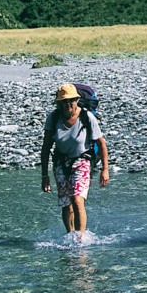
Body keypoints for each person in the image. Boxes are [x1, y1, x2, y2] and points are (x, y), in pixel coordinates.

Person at [41, 83, 109, 234]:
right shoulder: (53, 118)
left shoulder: (87, 117)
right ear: (58, 103)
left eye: (71, 100)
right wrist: (44, 176)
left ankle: (80, 239)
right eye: (64, 101)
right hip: (60, 162)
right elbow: (45, 148)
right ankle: (70, 234)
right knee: (66, 204)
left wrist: (105, 169)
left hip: (82, 160)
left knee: (77, 200)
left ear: (77, 100)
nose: (68, 104)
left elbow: (101, 144)